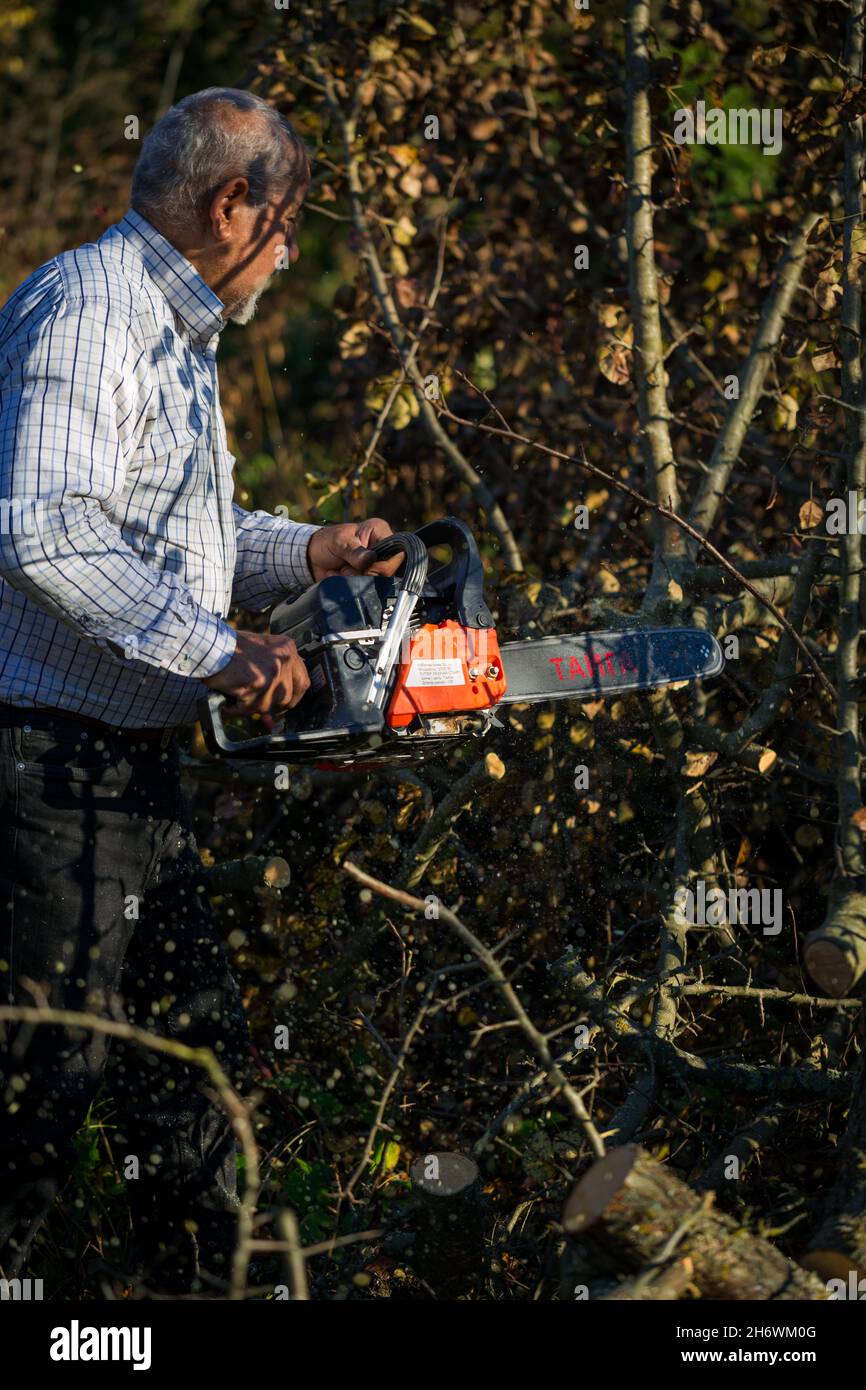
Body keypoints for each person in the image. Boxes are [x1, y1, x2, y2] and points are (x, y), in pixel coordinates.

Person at [0, 87, 401, 1294]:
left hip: (131, 776)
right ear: (234, 204)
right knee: (40, 1089)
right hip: (48, 772)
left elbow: (175, 533)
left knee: (187, 1072)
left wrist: (310, 552)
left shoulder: (170, 335)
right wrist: (220, 650)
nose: (284, 256)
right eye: (283, 229)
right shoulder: (90, 310)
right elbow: (46, 532)